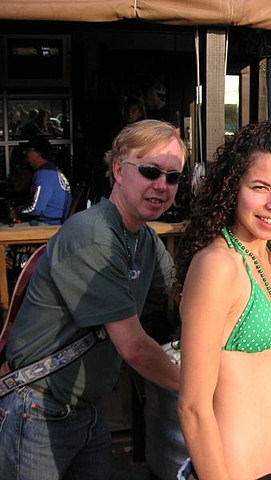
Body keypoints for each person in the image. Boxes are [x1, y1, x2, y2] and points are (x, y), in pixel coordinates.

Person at [0, 119, 184, 479]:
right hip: (38, 410)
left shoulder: (142, 239)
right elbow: (133, 347)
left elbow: (183, 294)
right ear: (118, 169)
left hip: (87, 411)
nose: (161, 185)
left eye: (172, 177)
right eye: (149, 171)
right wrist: (203, 388)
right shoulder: (93, 233)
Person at [176, 122, 271, 480]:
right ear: (232, 187)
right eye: (260, 187)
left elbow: (269, 343)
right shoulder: (218, 266)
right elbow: (192, 406)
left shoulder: (264, 251)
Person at [9, 137, 71, 225]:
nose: (25, 152)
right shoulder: (50, 169)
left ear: (39, 152)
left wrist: (17, 211)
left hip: (46, 224)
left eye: (28, 150)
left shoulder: (44, 174)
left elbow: (36, 209)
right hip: (52, 221)